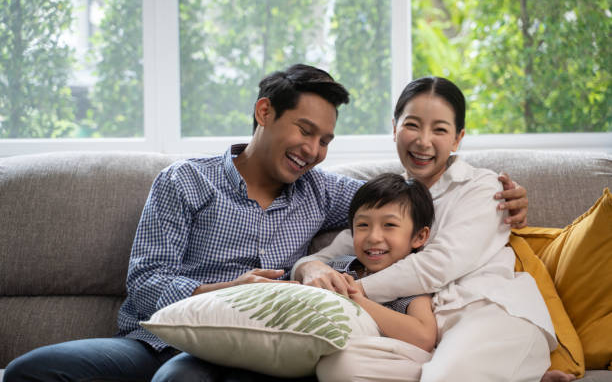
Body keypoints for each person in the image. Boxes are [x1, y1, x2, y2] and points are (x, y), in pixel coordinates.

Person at [4, 66, 528, 382]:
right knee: (30, 371)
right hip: (154, 337)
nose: (313, 151)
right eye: (305, 130)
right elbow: (145, 285)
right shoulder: (186, 181)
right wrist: (222, 288)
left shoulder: (323, 190)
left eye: (325, 141)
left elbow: (397, 212)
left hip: (251, 346)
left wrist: (511, 208)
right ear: (263, 112)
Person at [295, 76, 562, 382]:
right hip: (429, 339)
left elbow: (439, 265)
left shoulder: (484, 187)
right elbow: (342, 247)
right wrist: (311, 268)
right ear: (395, 128)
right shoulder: (387, 196)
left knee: (445, 377)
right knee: (340, 368)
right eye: (412, 125)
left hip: (488, 313)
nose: (423, 141)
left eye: (439, 129)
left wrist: (354, 290)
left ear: (457, 138)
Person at [316, 173, 437, 382]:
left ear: (419, 237)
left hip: (389, 361)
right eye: (363, 225)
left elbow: (424, 337)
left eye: (389, 225)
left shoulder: (411, 282)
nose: (373, 237)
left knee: (340, 367)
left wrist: (357, 300)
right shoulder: (338, 267)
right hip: (326, 345)